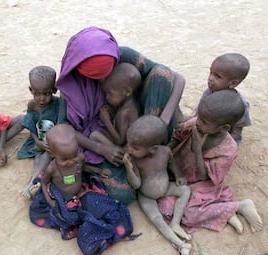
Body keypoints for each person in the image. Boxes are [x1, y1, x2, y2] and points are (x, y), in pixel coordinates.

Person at [56, 26, 185, 204]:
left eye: (107, 75)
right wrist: (102, 149)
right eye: (96, 79)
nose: (103, 83)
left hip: (142, 125)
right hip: (103, 140)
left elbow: (178, 79)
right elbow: (64, 129)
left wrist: (159, 124)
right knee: (123, 194)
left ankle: (151, 147)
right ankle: (141, 162)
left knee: (161, 76)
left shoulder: (121, 55)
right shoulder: (71, 83)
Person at [158, 89, 263, 234]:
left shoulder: (228, 149)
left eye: (204, 121)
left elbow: (203, 176)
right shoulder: (196, 124)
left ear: (224, 128)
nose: (198, 122)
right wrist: (165, 153)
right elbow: (177, 136)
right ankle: (225, 213)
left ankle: (239, 206)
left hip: (201, 183)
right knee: (165, 203)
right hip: (179, 174)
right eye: (199, 116)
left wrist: (197, 151)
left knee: (186, 212)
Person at [29, 124, 138, 255]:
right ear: (52, 154)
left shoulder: (79, 159)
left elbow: (84, 167)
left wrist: (99, 171)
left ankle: (105, 231)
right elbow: (45, 183)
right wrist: (50, 201)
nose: (71, 161)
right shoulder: (52, 168)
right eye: (64, 159)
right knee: (69, 217)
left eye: (74, 155)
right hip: (64, 198)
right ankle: (91, 237)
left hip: (82, 192)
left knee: (104, 206)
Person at [123, 115, 192, 255]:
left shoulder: (165, 152)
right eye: (128, 144)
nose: (129, 149)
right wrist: (129, 168)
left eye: (135, 148)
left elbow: (171, 163)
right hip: (146, 195)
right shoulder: (135, 160)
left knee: (186, 190)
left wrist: (178, 175)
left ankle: (175, 223)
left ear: (153, 149)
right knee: (157, 220)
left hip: (166, 187)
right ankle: (180, 245)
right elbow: (136, 185)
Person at [17, 66, 60, 199]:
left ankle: (33, 182)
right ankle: (33, 182)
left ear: (54, 90)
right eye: (37, 94)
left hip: (52, 143)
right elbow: (31, 125)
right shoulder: (32, 105)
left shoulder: (59, 104)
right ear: (31, 90)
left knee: (46, 157)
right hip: (38, 139)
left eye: (46, 94)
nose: (41, 99)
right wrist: (37, 142)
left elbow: (60, 126)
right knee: (38, 157)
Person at [189, 53, 252, 145]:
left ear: (233, 83)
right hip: (205, 128)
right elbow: (199, 114)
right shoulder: (209, 92)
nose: (210, 78)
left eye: (217, 76)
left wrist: (220, 145)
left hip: (222, 138)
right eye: (211, 73)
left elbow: (236, 133)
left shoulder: (239, 105)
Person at [90, 62, 140, 147]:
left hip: (125, 148)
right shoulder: (123, 104)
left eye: (110, 94)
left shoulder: (127, 111)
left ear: (127, 92)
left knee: (94, 135)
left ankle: (117, 156)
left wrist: (106, 121)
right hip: (119, 140)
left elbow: (120, 141)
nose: (107, 97)